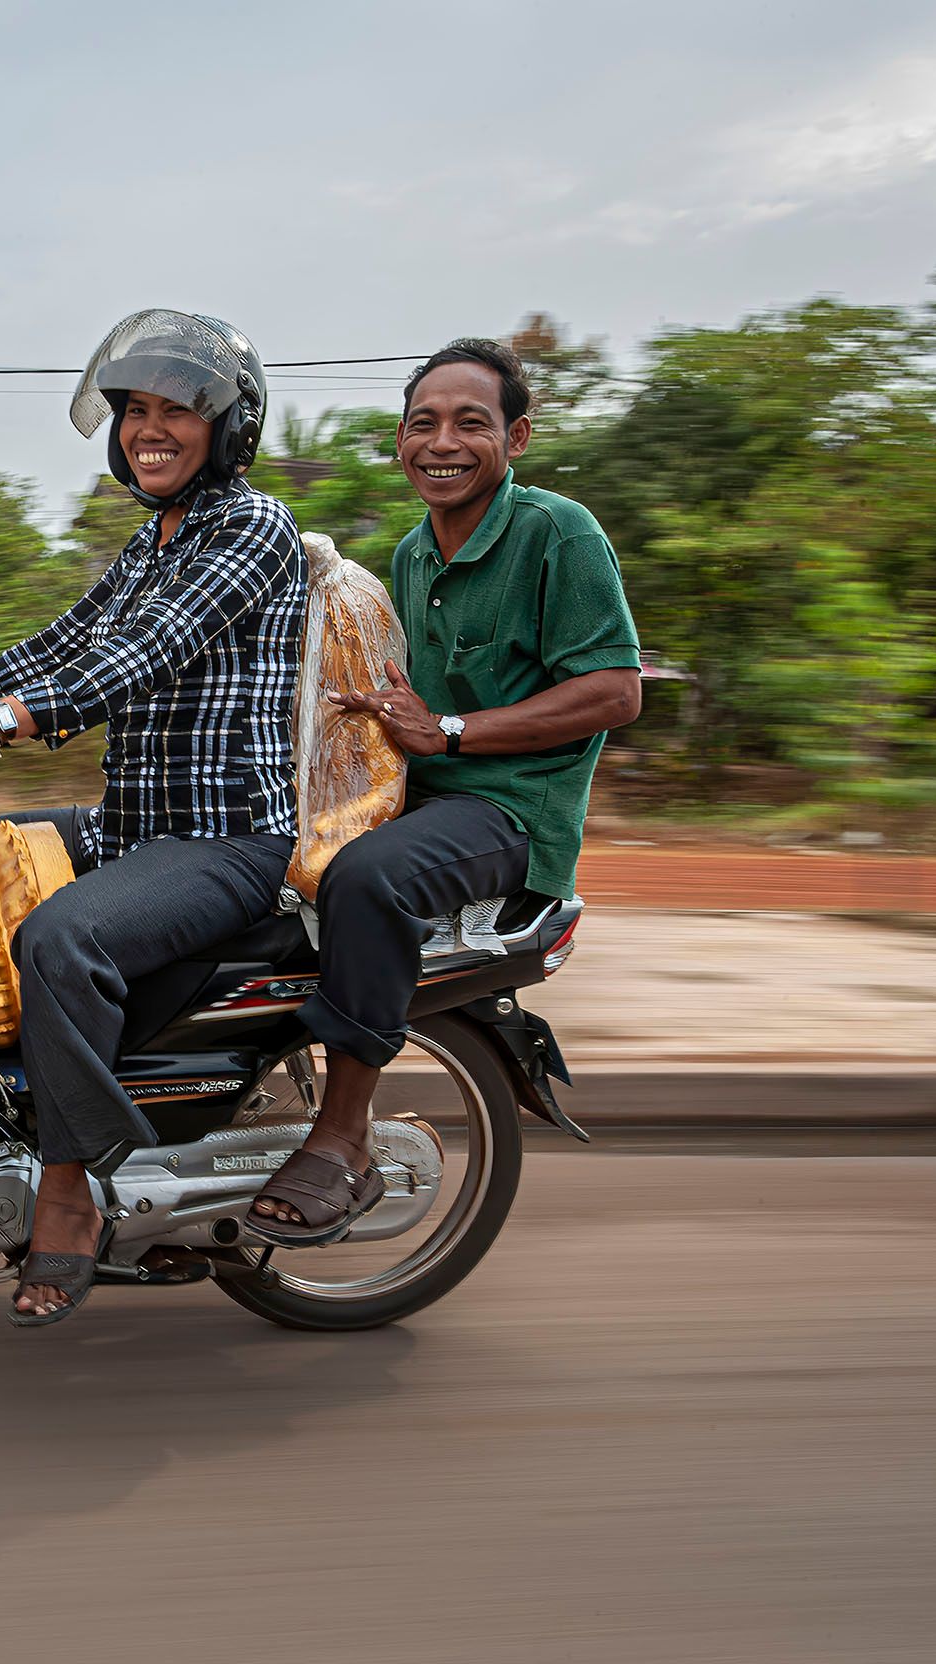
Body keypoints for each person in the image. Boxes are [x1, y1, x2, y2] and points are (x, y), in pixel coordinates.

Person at [0, 310, 306, 1326]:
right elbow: (62, 641)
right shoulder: (150, 538)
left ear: (226, 428)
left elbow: (138, 658)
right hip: (136, 820)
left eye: (174, 412)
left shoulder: (251, 530)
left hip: (224, 839)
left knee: (60, 936)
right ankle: (15, 1087)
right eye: (133, 411)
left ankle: (72, 1182)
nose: (146, 430)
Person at [247, 338, 641, 1245]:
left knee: (367, 880)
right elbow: (410, 707)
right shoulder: (412, 554)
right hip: (423, 796)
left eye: (471, 422)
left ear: (518, 437)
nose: (443, 441)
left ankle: (343, 1135)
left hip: (510, 812)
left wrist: (454, 732)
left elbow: (616, 692)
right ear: (398, 443)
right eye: (423, 423)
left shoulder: (557, 531)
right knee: (261, 857)